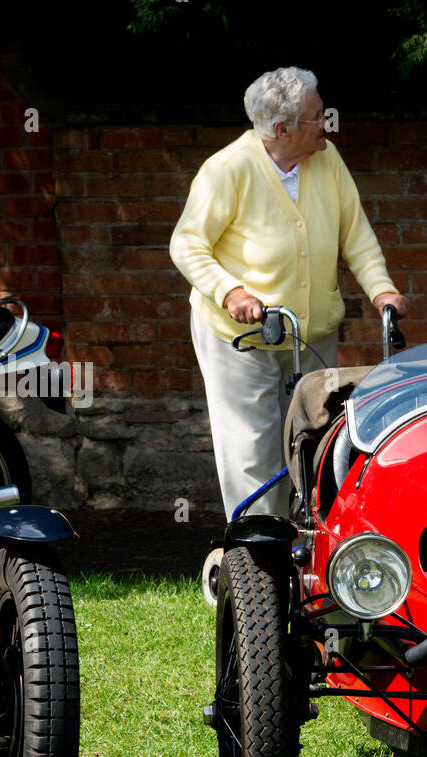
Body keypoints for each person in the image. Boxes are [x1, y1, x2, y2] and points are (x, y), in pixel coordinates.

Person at [170, 66, 408, 520]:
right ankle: (258, 560)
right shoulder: (228, 170)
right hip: (240, 339)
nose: (328, 123)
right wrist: (229, 291)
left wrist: (382, 291)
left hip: (309, 332)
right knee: (253, 451)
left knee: (313, 439)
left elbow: (354, 234)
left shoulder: (327, 158)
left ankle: (308, 553)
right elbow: (187, 243)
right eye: (318, 116)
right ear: (283, 128)